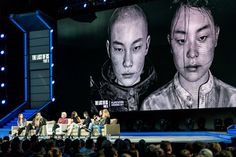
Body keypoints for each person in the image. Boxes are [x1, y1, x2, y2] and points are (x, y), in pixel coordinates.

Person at [141, 0, 236, 110]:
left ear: (216, 36)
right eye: (181, 40)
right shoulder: (152, 106)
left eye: (202, 38)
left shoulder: (233, 100)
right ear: (170, 42)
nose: (192, 53)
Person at [91, 4, 157, 112]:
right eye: (119, 49)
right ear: (108, 49)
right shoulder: (93, 100)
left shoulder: (166, 94)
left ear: (147, 46)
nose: (127, 62)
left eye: (136, 48)